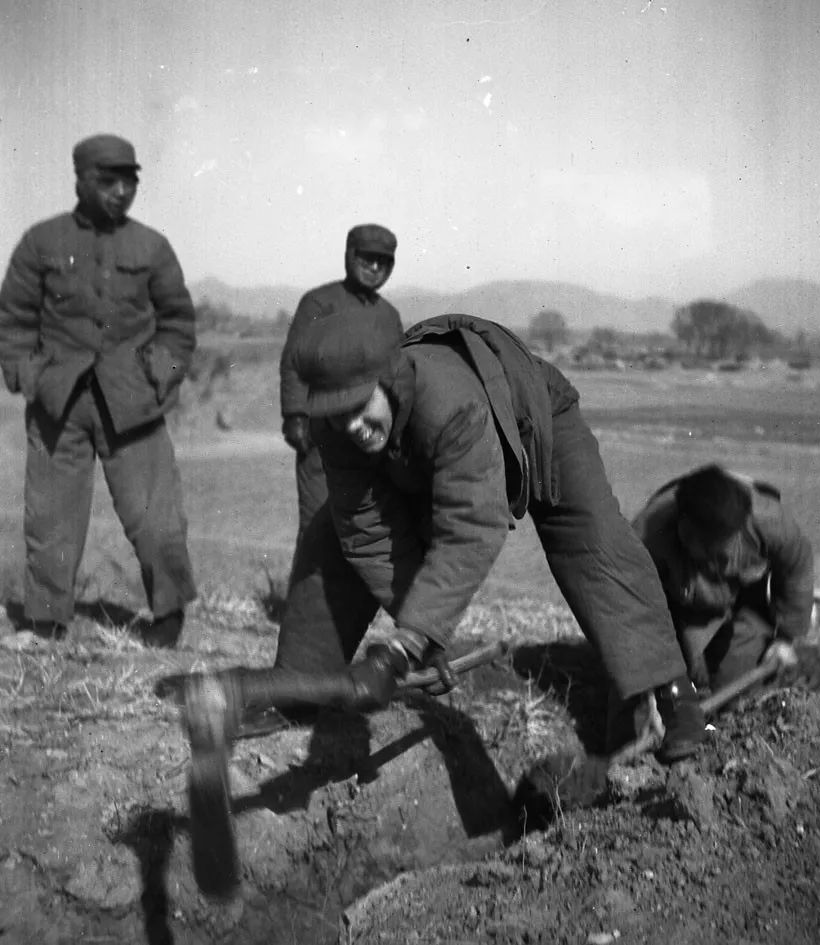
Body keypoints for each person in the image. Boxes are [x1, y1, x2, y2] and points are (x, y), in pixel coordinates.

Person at [183, 311, 705, 781]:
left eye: (361, 410)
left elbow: (471, 528)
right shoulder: (338, 426)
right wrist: (421, 641)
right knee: (330, 539)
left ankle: (672, 694)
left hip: (531, 417)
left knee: (595, 543)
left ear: (387, 381)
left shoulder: (451, 403)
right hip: (416, 450)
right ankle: (297, 691)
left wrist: (396, 651)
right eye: (338, 417)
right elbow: (367, 532)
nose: (353, 428)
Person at [0, 134, 197, 646]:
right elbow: (14, 321)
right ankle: (45, 621)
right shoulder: (40, 242)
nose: (120, 192)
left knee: (156, 516)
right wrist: (29, 376)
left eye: (128, 182)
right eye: (107, 182)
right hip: (58, 404)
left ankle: (170, 617)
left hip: (133, 403)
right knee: (51, 516)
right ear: (80, 181)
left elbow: (178, 324)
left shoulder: (151, 246)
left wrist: (163, 374)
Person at [631, 463, 814, 693]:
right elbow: (631, 617)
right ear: (685, 532)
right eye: (711, 553)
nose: (722, 561)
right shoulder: (647, 539)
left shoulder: (769, 521)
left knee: (739, 684)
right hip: (676, 602)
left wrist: (786, 638)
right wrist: (647, 688)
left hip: (742, 597)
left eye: (725, 551)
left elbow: (796, 567)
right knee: (666, 690)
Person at [279, 224, 401, 544]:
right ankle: (309, 596)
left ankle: (356, 596)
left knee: (365, 527)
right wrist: (295, 416)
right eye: (367, 258)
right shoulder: (319, 303)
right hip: (322, 432)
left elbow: (396, 376)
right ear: (349, 256)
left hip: (368, 435)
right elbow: (294, 362)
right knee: (317, 524)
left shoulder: (389, 316)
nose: (374, 267)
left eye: (382, 261)